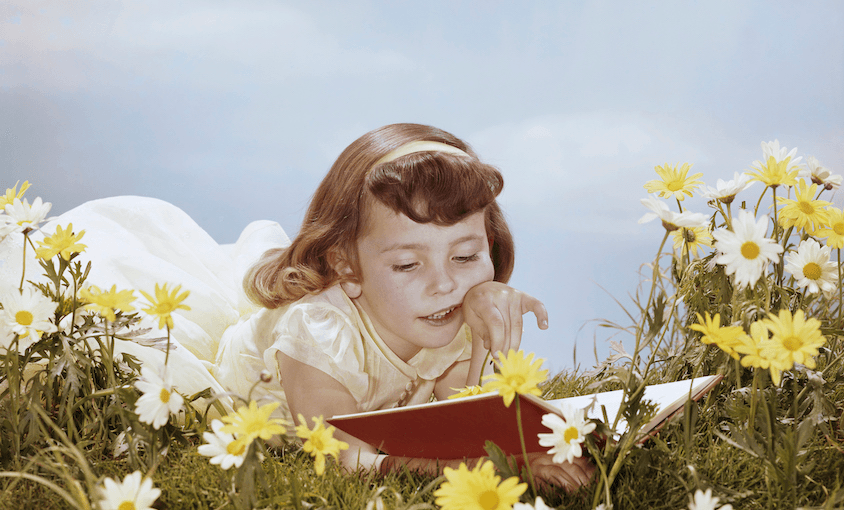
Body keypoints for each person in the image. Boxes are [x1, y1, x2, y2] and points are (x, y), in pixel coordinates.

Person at [0, 123, 592, 490]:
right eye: (408, 264)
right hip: (251, 394)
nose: (445, 286)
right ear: (346, 268)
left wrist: (489, 325)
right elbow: (339, 454)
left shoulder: (450, 311)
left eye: (466, 256)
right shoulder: (321, 334)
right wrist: (481, 471)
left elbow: (458, 406)